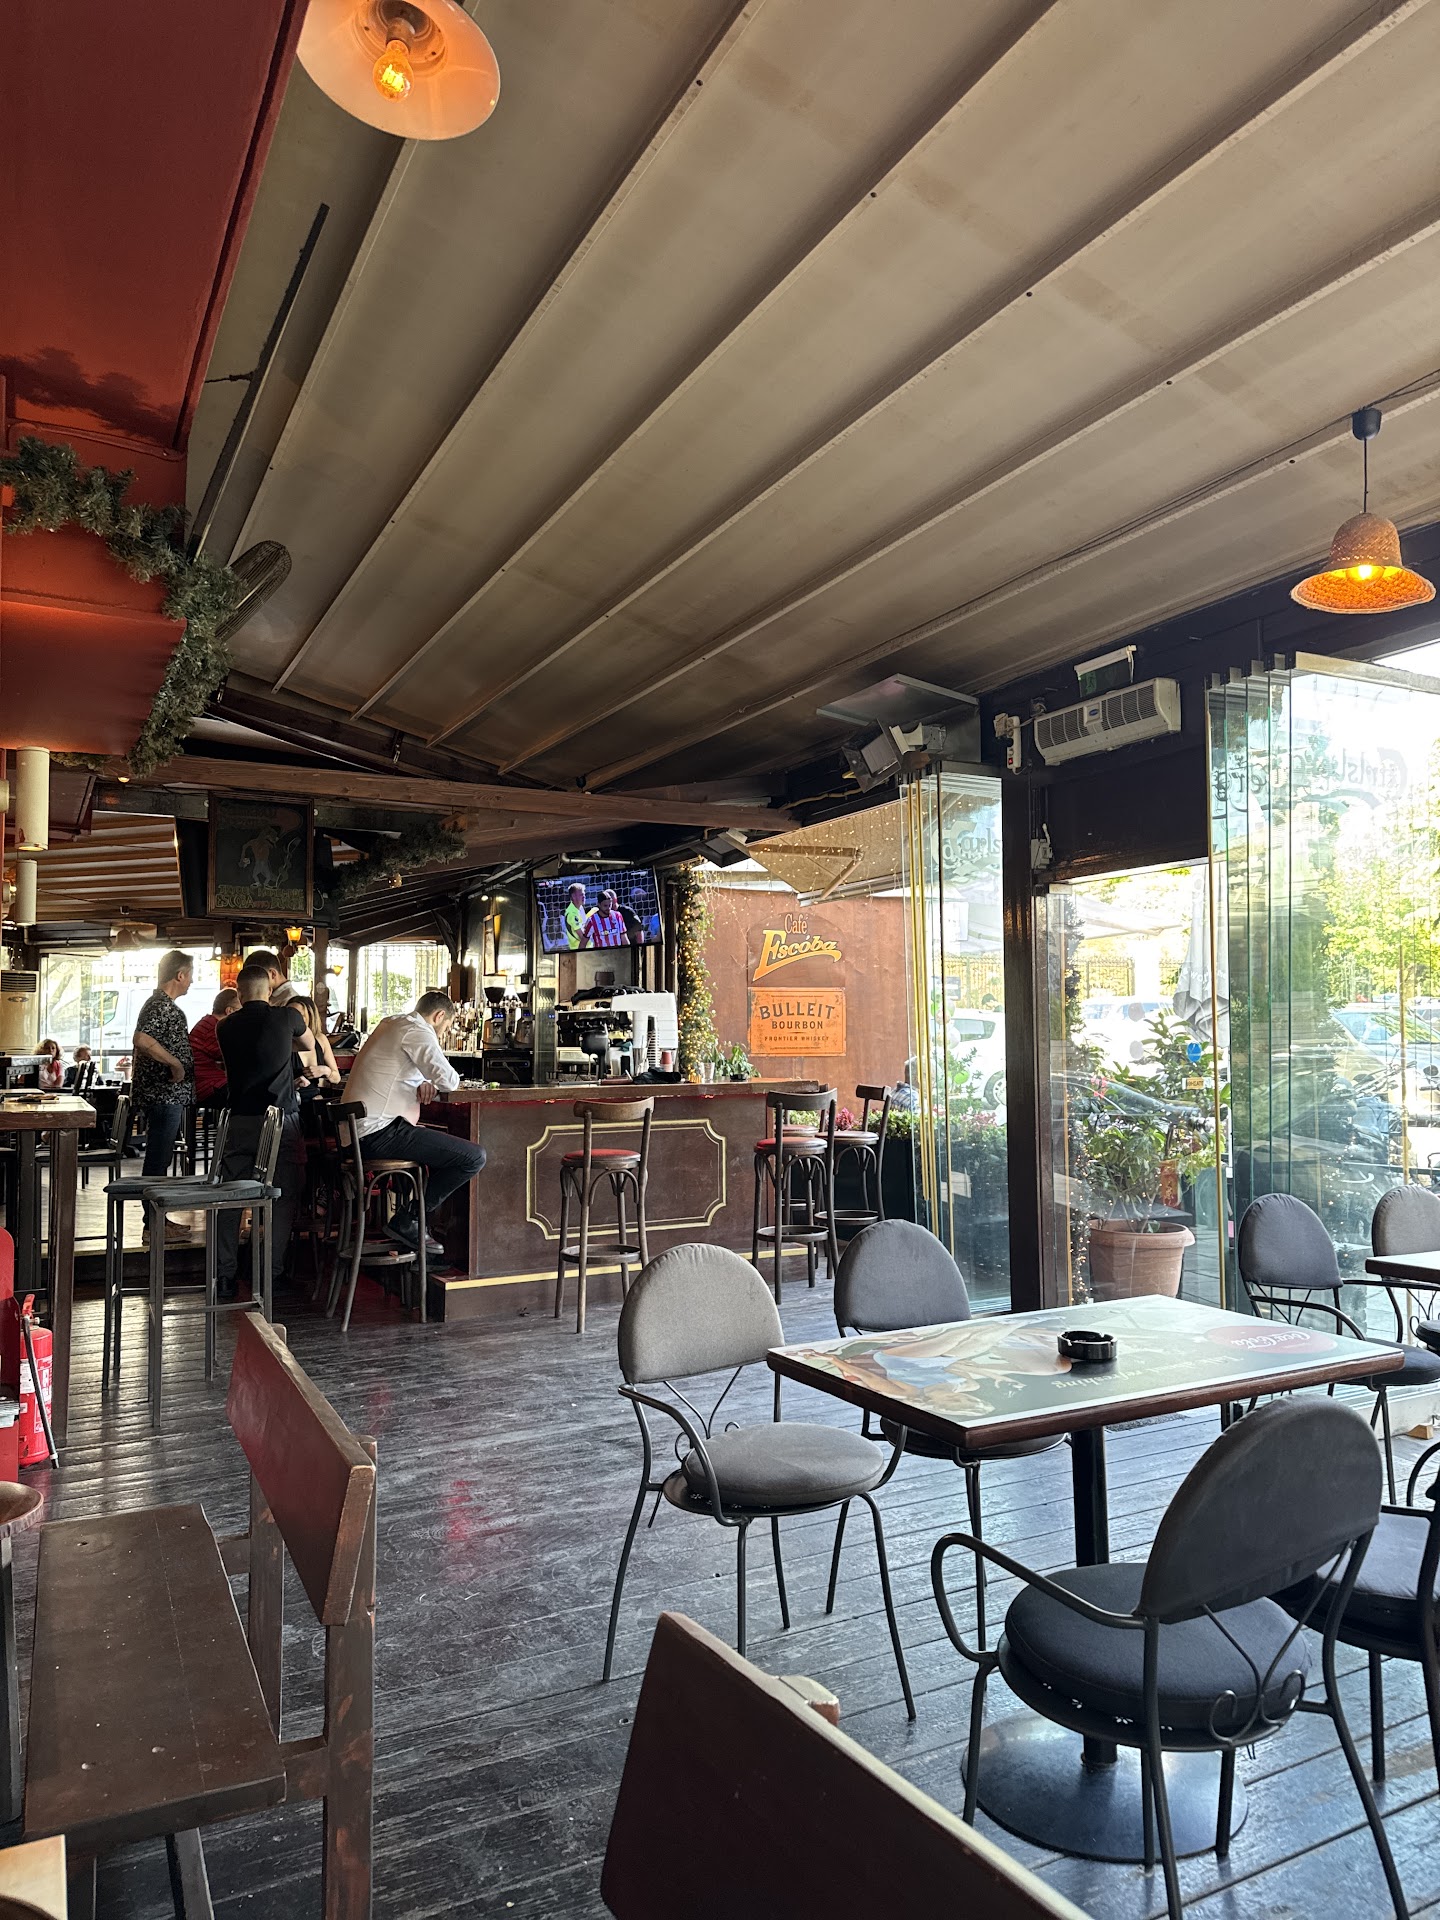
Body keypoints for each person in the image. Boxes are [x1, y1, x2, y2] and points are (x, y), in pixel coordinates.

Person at [344, 990, 485, 1255]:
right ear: (439, 1016)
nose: (443, 1034)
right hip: (379, 1133)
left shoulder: (392, 1023)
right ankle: (409, 1219)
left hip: (358, 1134)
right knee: (473, 1157)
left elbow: (402, 1069)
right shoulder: (418, 1030)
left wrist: (424, 1080)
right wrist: (432, 1079)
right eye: (446, 1027)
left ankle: (416, 1235)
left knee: (441, 1155)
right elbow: (449, 1081)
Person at [215, 961, 317, 1296]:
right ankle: (269, 1274)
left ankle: (225, 1275)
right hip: (279, 1120)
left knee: (231, 1196)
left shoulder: (225, 1026)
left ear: (239, 992)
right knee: (282, 1194)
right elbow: (309, 1045)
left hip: (239, 1119)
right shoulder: (287, 1018)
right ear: (269, 990)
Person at [131, 950, 194, 1188]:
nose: (192, 981)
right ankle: (152, 1211)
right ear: (180, 975)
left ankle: (154, 1210)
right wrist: (175, 1064)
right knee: (158, 1159)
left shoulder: (161, 1005)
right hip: (163, 1094)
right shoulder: (160, 1006)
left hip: (165, 1095)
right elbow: (142, 1039)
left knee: (161, 1157)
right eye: (191, 975)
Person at [189, 988, 241, 1104]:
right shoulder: (214, 1029)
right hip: (208, 1085)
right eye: (240, 1011)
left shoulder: (207, 1023)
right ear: (230, 1011)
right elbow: (233, 1056)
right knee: (250, 1095)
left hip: (205, 1082)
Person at [289, 996, 341, 1092]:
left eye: (298, 1015)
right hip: (292, 1098)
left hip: (316, 1097)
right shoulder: (284, 1041)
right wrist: (293, 1085)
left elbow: (336, 1078)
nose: (293, 1019)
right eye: (289, 1015)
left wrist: (325, 1070)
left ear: (310, 1016)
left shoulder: (321, 1039)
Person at [564, 883, 587, 950]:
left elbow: (585, 924)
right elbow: (582, 936)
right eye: (581, 895)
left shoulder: (580, 907)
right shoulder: (571, 914)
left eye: (584, 894)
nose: (584, 897)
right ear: (573, 896)